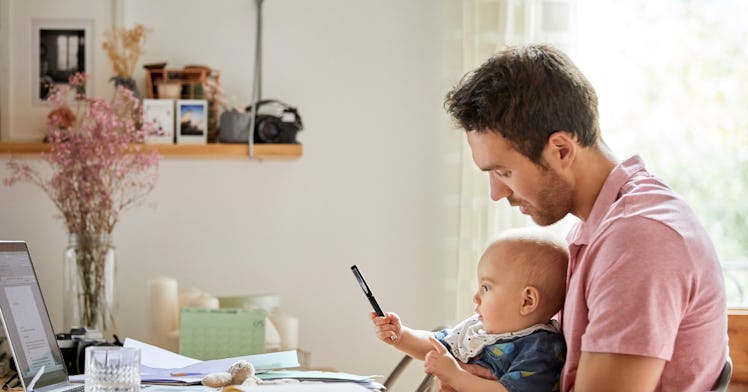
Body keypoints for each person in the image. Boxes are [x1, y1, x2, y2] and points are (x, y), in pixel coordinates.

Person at [442, 44, 727, 391]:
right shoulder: (599, 227)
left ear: (561, 149)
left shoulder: (639, 240)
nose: (497, 193)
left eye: (504, 171)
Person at [372, 228, 568, 391]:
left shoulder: (541, 347)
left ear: (527, 301)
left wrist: (456, 376)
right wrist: (400, 335)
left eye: (486, 287)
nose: (476, 297)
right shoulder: (478, 327)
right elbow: (436, 345)